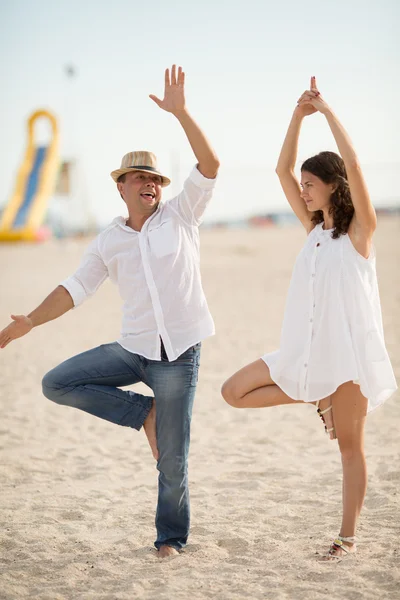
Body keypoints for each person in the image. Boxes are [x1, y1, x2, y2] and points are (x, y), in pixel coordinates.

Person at [0, 65, 219, 558]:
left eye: (155, 178)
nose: (151, 184)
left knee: (173, 462)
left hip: (179, 356)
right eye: (139, 177)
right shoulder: (109, 240)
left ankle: (169, 540)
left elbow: (210, 163)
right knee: (56, 382)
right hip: (132, 349)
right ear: (121, 186)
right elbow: (75, 288)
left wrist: (181, 112)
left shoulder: (182, 215)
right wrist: (30, 321)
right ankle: (143, 412)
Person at [221, 77, 397, 560]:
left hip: (348, 359)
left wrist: (328, 111)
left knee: (350, 451)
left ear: (334, 186)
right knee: (232, 392)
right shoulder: (314, 230)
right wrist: (299, 116)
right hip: (304, 353)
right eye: (302, 186)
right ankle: (311, 394)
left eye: (311, 184)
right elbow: (280, 168)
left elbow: (356, 164)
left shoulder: (360, 233)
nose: (302, 191)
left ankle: (347, 537)